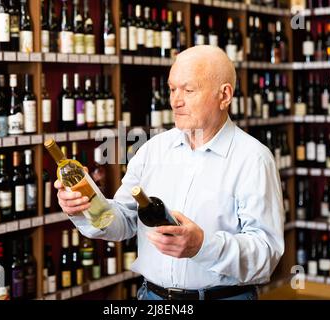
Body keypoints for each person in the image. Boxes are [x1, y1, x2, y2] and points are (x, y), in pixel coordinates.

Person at [55, 45, 285, 300]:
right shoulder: (152, 150)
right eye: (172, 89)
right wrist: (85, 206)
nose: (176, 101)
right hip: (152, 297)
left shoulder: (253, 159)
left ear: (225, 95)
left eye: (188, 90)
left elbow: (266, 253)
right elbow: (122, 221)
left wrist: (202, 246)